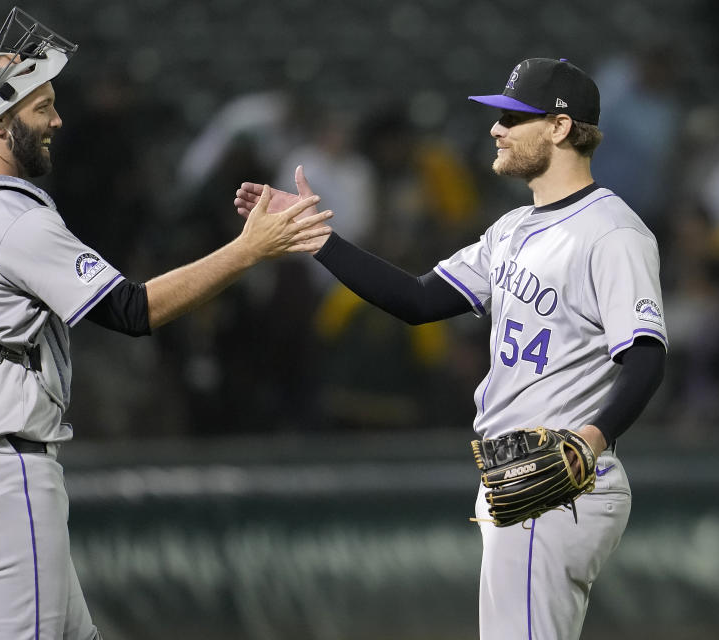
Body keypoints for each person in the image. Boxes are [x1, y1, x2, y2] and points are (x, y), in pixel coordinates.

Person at [0, 7, 331, 639]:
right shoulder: (10, 216)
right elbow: (132, 310)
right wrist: (250, 248)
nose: (57, 119)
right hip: (3, 481)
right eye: (42, 106)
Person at [235, 58, 668, 639]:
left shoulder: (613, 233)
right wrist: (320, 240)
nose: (496, 128)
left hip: (559, 479)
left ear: (560, 128)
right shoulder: (511, 229)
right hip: (515, 474)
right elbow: (417, 300)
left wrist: (589, 443)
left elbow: (645, 355)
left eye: (513, 117)